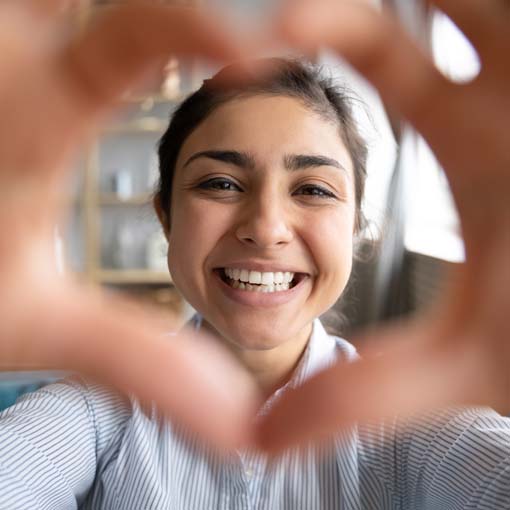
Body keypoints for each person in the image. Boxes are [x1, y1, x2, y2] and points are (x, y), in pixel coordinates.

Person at [2, 52, 510, 508]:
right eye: (220, 183)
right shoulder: (99, 405)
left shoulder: (411, 420)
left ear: (355, 226)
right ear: (166, 216)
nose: (266, 230)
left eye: (312, 189)